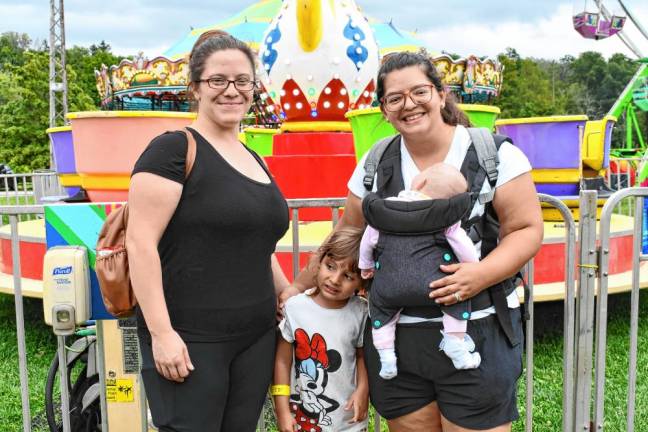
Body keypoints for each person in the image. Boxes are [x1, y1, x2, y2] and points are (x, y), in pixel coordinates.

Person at [281, 51, 543, 432]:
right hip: (397, 342)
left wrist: (481, 274)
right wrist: (297, 288)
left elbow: (525, 229)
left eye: (419, 91)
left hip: (477, 333)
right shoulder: (376, 163)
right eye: (395, 98)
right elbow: (346, 237)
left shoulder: (493, 155)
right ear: (384, 110)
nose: (409, 104)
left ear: (440, 93)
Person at [127, 30, 290, 432]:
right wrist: (161, 333)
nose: (231, 91)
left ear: (254, 88)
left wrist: (285, 290)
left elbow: (256, 243)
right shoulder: (172, 150)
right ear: (195, 88)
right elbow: (140, 243)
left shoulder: (254, 157)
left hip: (254, 337)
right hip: (191, 338)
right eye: (218, 80)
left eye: (242, 81)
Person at [359, 162, 481, 380]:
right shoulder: (446, 217)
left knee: (381, 310)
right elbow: (464, 247)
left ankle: (386, 358)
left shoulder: (384, 211)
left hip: (389, 285)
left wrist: (366, 266)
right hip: (435, 284)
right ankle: (455, 342)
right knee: (457, 298)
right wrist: (472, 268)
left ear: (421, 182)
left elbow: (367, 242)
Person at [273, 227, 369, 432]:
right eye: (330, 266)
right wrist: (282, 410)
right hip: (302, 420)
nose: (335, 280)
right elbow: (282, 361)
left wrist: (363, 390)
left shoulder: (360, 312)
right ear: (319, 262)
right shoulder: (294, 308)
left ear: (362, 282)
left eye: (348, 276)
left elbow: (363, 357)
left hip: (348, 420)